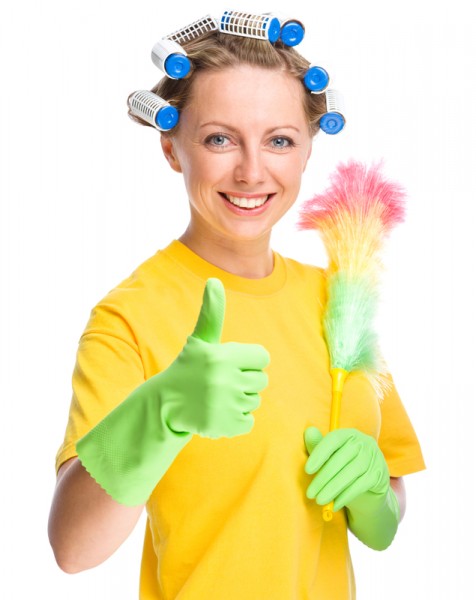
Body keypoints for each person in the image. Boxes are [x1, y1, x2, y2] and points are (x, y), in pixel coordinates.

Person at [48, 15, 425, 600]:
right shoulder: (130, 317)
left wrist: (377, 496)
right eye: (219, 139)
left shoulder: (339, 299)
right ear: (172, 148)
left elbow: (390, 499)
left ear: (306, 151)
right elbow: (73, 548)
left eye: (279, 140)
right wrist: (161, 412)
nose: (252, 171)